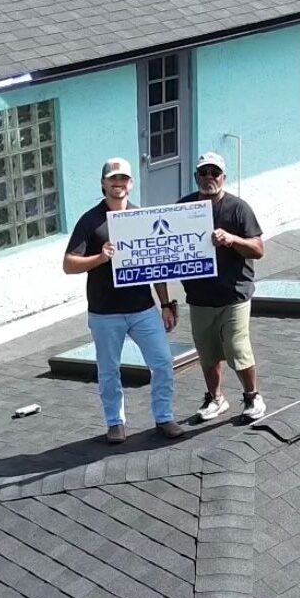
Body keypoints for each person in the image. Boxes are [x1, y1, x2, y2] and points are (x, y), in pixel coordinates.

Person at [63, 158, 184, 444]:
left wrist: (165, 304)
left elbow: (156, 266)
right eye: (112, 179)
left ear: (131, 183)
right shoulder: (90, 221)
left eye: (123, 179)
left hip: (143, 308)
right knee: (108, 371)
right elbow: (69, 264)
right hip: (105, 312)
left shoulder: (141, 217)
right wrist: (100, 258)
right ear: (103, 183)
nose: (118, 184)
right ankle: (115, 422)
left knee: (164, 362)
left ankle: (164, 417)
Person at [179, 151, 266, 422]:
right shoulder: (184, 207)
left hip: (234, 294)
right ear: (196, 177)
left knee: (237, 347)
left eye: (214, 173)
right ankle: (215, 398)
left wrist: (231, 239)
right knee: (207, 352)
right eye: (203, 173)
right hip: (199, 296)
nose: (209, 178)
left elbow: (258, 249)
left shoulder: (239, 208)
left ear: (224, 177)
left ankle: (252, 396)